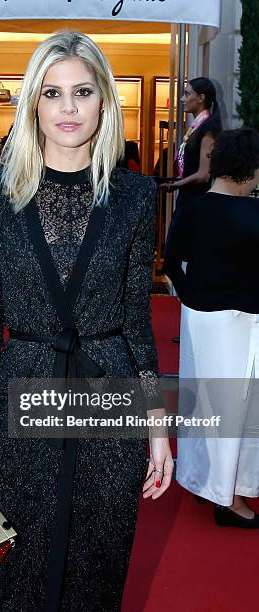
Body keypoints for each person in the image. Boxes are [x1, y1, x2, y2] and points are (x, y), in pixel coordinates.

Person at [0, 31, 173, 611]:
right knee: (0, 572)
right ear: (33, 103)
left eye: (83, 91)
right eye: (52, 93)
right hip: (21, 401)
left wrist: (155, 422)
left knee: (95, 578)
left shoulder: (136, 195)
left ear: (104, 103)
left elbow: (137, 322)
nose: (68, 108)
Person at [164, 128, 259, 528]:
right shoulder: (254, 213)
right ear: (248, 169)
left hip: (202, 321)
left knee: (205, 403)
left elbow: (171, 263)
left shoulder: (192, 210)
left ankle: (206, 482)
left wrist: (193, 300)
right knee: (238, 408)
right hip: (243, 323)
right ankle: (228, 498)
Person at [162, 77, 222, 207]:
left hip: (195, 201)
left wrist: (176, 184)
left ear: (201, 98)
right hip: (188, 197)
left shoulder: (208, 128)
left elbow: (203, 175)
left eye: (187, 94)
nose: (182, 99)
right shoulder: (198, 126)